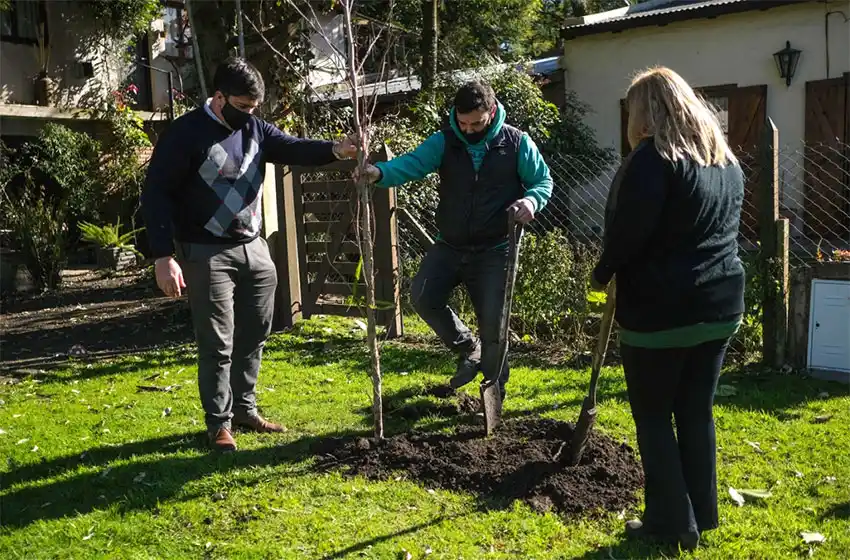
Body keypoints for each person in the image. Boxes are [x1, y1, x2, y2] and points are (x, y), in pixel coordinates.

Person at [141, 57, 356, 451]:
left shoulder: (255, 128)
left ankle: (245, 409)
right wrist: (162, 256)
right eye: (241, 107)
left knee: (256, 331)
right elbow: (156, 194)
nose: (248, 115)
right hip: (205, 251)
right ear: (218, 97)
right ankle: (218, 423)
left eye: (254, 108)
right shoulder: (185, 134)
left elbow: (293, 148)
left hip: (253, 247)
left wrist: (337, 150)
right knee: (217, 341)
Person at [591, 66, 745, 551]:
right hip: (721, 305)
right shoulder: (724, 161)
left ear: (644, 113)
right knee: (696, 412)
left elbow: (627, 232)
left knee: (654, 415)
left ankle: (671, 522)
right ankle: (703, 513)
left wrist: (600, 273)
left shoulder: (651, 161)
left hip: (662, 312)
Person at [356, 80, 552, 400]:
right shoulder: (444, 142)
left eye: (476, 123)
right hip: (450, 244)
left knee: (493, 325)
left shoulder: (516, 143)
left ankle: (493, 392)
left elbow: (542, 181)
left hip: (496, 248)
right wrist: (380, 173)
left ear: (491, 111)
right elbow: (413, 164)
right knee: (422, 295)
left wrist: (531, 202)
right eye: (462, 123)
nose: (469, 129)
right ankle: (467, 347)